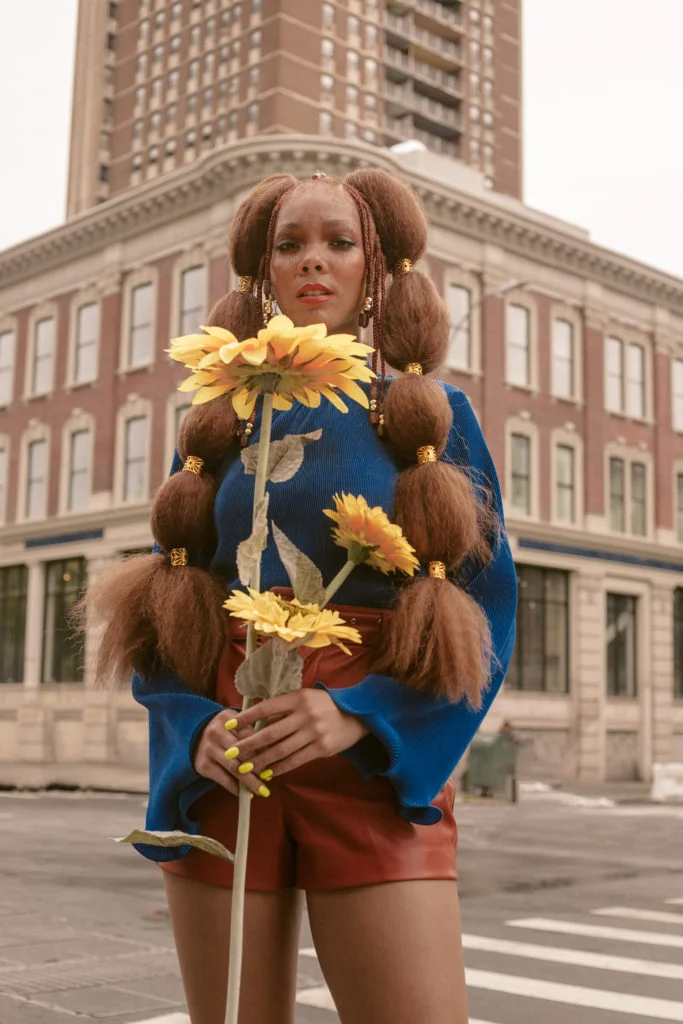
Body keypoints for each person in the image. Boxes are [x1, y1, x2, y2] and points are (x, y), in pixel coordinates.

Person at [86, 168, 517, 1024]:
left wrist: (361, 714)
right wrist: (191, 725)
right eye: (290, 245)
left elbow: (486, 608)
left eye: (337, 241)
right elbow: (171, 603)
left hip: (370, 758)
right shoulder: (219, 418)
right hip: (229, 755)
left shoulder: (430, 414)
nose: (312, 261)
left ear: (376, 268)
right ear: (263, 274)